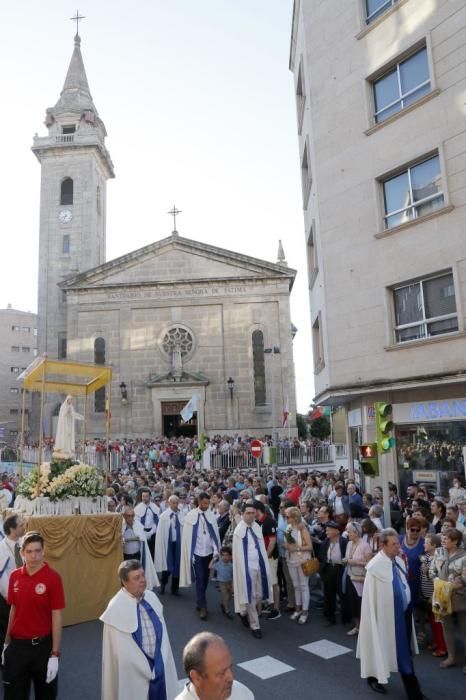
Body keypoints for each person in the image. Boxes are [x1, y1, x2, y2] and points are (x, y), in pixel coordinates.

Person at [357, 528, 425, 700]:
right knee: (392, 652)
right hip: (385, 618)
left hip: (403, 615)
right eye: (394, 544)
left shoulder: (399, 561)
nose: (398, 547)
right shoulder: (374, 567)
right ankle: (413, 693)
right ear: (383, 545)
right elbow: (370, 601)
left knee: (403, 653)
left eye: (398, 543)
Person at [100, 559, 179, 700]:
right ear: (124, 582)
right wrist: (141, 666)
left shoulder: (152, 597)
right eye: (136, 578)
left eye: (143, 575)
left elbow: (163, 636)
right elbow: (117, 654)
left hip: (159, 664)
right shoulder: (115, 608)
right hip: (133, 673)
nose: (142, 580)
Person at [3, 531, 65, 700]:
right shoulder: (15, 576)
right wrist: (6, 643)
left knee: (46, 696)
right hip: (17, 647)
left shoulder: (53, 578)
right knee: (14, 695)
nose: (34, 556)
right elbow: (13, 611)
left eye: (38, 551)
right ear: (22, 553)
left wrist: (55, 654)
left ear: (43, 551)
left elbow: (57, 616)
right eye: (29, 551)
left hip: (43, 649)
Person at [232, 502, 273, 639]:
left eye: (253, 513)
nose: (251, 515)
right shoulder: (239, 531)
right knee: (251, 595)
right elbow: (238, 554)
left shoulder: (257, 527)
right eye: (248, 513)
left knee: (259, 595)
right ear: (243, 514)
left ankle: (243, 613)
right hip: (246, 568)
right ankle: (255, 626)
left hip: (259, 565)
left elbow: (260, 547)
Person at [429, 527, 466, 671]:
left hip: (460, 598)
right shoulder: (438, 552)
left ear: (455, 541)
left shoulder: (464, 557)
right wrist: (437, 582)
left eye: (446, 539)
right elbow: (432, 571)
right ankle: (451, 657)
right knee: (447, 627)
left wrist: (450, 586)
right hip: (441, 597)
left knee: (464, 629)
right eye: (443, 538)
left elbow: (464, 579)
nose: (443, 541)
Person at [175, 632, 254, 699]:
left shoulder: (243, 693)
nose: (231, 678)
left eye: (230, 667)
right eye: (221, 673)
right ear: (196, 678)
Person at [180, 492, 220, 620]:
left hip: (208, 553)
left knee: (205, 579)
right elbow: (187, 538)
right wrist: (190, 553)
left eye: (208, 503)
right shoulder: (190, 516)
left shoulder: (211, 516)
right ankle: (203, 607)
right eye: (204, 503)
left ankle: (199, 601)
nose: (206, 505)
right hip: (197, 553)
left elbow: (214, 535)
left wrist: (215, 550)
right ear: (199, 502)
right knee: (200, 578)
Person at [283, 506, 314, 624]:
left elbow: (310, 547)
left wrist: (295, 548)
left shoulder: (303, 528)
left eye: (287, 516)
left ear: (294, 517)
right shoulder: (288, 527)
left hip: (302, 559)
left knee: (303, 585)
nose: (286, 519)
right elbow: (286, 542)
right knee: (296, 585)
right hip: (291, 559)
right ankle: (298, 609)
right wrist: (286, 546)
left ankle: (305, 611)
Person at [0, 515, 25, 651]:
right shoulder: (1, 549)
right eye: (21, 525)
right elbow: (2, 579)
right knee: (7, 630)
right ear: (11, 529)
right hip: (8, 599)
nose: (24, 527)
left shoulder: (24, 543)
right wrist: (12, 599)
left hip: (26, 595)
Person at [343, 521, 372, 636]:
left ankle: (365, 628)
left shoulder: (365, 545)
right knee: (353, 603)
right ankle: (357, 626)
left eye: (349, 531)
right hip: (351, 576)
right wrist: (347, 560)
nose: (347, 533)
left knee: (362, 604)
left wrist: (353, 562)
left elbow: (369, 564)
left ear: (356, 533)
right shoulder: (349, 544)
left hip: (361, 579)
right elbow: (347, 557)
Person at [319, 520, 349, 627]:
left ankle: (346, 619)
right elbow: (321, 557)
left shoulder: (344, 542)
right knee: (328, 595)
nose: (327, 532)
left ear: (336, 531)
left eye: (329, 530)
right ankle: (330, 618)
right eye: (326, 530)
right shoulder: (325, 542)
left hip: (340, 569)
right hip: (328, 569)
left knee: (343, 595)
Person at [254, 500, 281, 620]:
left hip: (270, 558)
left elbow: (272, 541)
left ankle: (276, 608)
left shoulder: (269, 521)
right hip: (260, 557)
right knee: (264, 581)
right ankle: (268, 604)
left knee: (273, 582)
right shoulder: (256, 522)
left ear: (257, 510)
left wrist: (265, 556)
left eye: (252, 511)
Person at [122, 506, 159, 590]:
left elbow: (144, 536)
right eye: (128, 516)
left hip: (137, 556)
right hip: (125, 557)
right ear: (124, 516)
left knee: (136, 576)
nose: (131, 518)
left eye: (132, 516)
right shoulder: (121, 526)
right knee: (126, 577)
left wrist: (152, 530)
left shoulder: (138, 525)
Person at [155, 495, 183, 596]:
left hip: (178, 543)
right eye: (173, 503)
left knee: (177, 565)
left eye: (176, 503)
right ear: (169, 503)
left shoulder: (181, 514)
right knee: (167, 566)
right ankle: (163, 584)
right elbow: (160, 532)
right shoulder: (164, 516)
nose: (175, 505)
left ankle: (174, 588)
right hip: (168, 544)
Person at [135, 488, 160, 559]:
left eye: (146, 496)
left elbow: (157, 521)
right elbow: (136, 522)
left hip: (153, 534)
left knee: (153, 553)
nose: (144, 498)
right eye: (143, 496)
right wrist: (144, 532)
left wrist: (151, 532)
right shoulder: (137, 508)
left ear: (150, 497)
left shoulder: (155, 507)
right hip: (142, 533)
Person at [211, 546, 234, 619]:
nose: (225, 557)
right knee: (225, 596)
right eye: (223, 555)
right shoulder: (218, 564)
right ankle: (227, 611)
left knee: (230, 596)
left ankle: (224, 604)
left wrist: (233, 583)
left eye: (227, 555)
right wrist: (213, 560)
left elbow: (234, 574)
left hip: (230, 582)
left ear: (230, 556)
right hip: (222, 583)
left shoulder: (231, 565)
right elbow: (211, 567)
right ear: (220, 556)